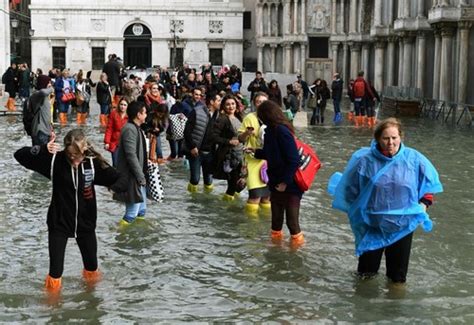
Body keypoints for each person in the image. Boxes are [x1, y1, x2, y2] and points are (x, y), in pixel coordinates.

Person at [328, 118, 443, 284]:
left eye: (394, 138)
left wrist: (424, 204)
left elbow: (429, 183)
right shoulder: (363, 160)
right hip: (371, 225)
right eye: (386, 138)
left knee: (398, 277)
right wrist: (356, 212)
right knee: (366, 274)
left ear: (401, 137)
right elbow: (349, 188)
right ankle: (364, 307)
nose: (391, 142)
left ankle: (395, 307)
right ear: (377, 139)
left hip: (402, 226)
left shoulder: (414, 159)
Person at [14, 129, 123, 293]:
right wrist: (42, 149)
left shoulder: (92, 164)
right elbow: (19, 155)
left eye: (77, 155)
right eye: (70, 155)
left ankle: (91, 301)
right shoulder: (54, 162)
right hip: (59, 224)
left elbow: (116, 177)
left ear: (84, 150)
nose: (74, 159)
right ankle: (54, 310)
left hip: (86, 225)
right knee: (55, 272)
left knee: (92, 268)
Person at [252, 100, 304, 246]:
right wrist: (256, 152)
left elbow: (294, 160)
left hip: (291, 184)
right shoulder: (269, 132)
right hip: (275, 182)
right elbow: (272, 154)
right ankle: (276, 249)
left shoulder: (282, 131)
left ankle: (297, 252)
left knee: (292, 223)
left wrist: (285, 182)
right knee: (275, 222)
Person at [115, 101, 149, 226]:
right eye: (144, 113)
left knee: (141, 211)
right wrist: (140, 176)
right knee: (131, 214)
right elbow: (131, 155)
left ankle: (139, 237)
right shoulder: (130, 129)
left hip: (139, 176)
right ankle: (120, 235)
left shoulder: (136, 128)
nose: (146, 115)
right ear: (138, 115)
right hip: (132, 177)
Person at [238, 92, 271, 216]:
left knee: (267, 197)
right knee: (255, 195)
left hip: (268, 161)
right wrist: (247, 133)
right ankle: (251, 226)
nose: (261, 104)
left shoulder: (272, 118)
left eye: (264, 102)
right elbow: (240, 138)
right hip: (252, 161)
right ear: (254, 104)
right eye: (258, 102)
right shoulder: (249, 118)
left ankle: (266, 223)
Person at [183, 92, 222, 193]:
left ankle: (207, 202)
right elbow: (187, 131)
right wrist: (192, 147)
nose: (220, 103)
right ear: (212, 102)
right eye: (218, 101)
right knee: (195, 179)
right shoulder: (197, 111)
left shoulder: (220, 115)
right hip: (196, 152)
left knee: (209, 181)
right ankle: (192, 199)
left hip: (210, 153)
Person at [211, 94, 244, 201]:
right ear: (224, 106)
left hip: (241, 155)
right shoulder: (222, 119)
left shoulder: (239, 117)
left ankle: (232, 201)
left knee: (242, 183)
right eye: (228, 104)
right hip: (229, 156)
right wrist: (228, 141)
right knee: (233, 184)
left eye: (233, 104)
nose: (231, 107)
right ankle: (227, 208)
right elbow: (213, 137)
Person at [30, 75, 55, 145]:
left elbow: (48, 115)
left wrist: (51, 131)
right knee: (41, 154)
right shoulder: (37, 95)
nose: (50, 84)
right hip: (39, 131)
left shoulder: (45, 97)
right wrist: (52, 88)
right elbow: (43, 92)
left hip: (46, 131)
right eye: (49, 82)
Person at [104, 97, 129, 166]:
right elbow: (109, 128)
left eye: (125, 105)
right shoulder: (113, 114)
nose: (122, 107)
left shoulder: (129, 116)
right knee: (115, 163)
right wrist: (107, 142)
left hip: (126, 143)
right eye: (121, 104)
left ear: (127, 106)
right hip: (115, 143)